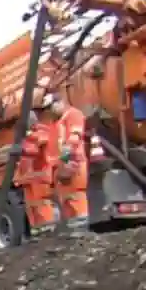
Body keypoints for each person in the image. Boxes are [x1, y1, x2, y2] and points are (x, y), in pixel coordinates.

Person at [15, 108, 59, 232]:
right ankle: (36, 231)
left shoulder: (41, 132)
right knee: (31, 206)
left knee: (42, 204)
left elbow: (37, 148)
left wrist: (24, 145)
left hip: (39, 176)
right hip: (28, 178)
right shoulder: (26, 136)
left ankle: (48, 229)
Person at [50, 95, 90, 229]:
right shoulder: (60, 120)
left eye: (53, 105)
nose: (52, 109)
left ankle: (82, 228)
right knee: (66, 199)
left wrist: (65, 158)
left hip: (74, 162)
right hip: (65, 163)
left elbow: (74, 137)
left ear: (61, 102)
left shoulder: (74, 115)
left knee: (76, 195)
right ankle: (73, 230)